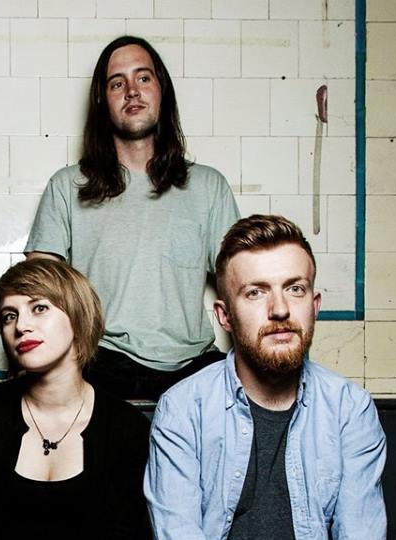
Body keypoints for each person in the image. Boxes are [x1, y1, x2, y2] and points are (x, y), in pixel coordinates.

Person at [25, 35, 240, 401]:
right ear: (102, 101)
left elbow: (242, 281)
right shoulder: (67, 186)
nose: (132, 91)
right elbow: (37, 290)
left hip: (191, 365)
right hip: (101, 361)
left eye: (143, 78)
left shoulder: (208, 186)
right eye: (117, 83)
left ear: (161, 91)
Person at [145, 215, 387, 539]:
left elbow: (360, 532)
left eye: (295, 289)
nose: (280, 309)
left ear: (315, 305)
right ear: (224, 316)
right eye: (255, 293)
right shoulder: (183, 409)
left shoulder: (350, 409)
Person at [0, 259, 152, 540]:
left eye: (39, 308)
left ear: (78, 315)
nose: (21, 326)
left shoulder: (127, 427)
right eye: (9, 316)